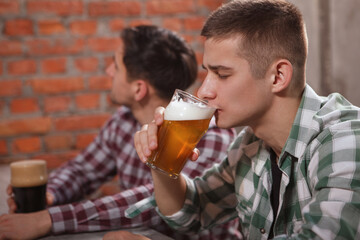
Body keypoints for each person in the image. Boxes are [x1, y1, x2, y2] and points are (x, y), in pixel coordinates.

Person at [132, 1, 360, 239]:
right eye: (207, 73)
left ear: (278, 76)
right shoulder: (248, 145)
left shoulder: (346, 140)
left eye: (222, 74)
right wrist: (160, 161)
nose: (203, 92)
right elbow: (194, 212)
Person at [0, 25, 240, 240]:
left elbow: (152, 203)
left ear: (139, 89)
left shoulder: (208, 137)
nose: (108, 71)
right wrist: (52, 194)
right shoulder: (124, 121)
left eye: (115, 65)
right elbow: (83, 170)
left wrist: (49, 219)